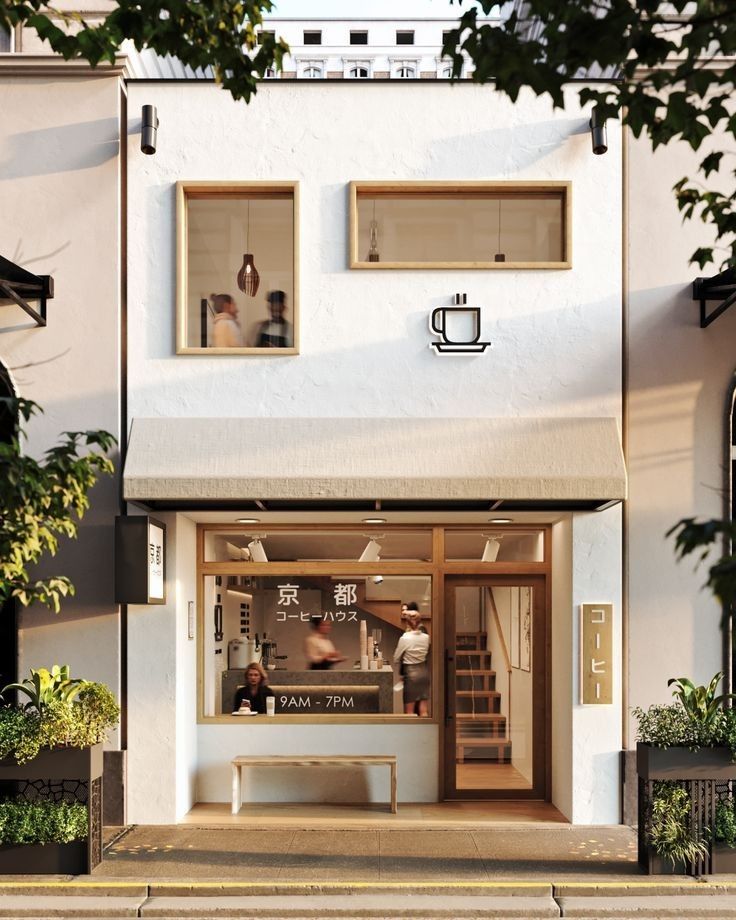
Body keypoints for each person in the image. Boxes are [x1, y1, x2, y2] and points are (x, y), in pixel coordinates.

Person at [393, 609, 430, 716]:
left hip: (411, 673)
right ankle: (425, 732)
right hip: (424, 672)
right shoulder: (426, 637)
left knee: (410, 712)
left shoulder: (405, 638)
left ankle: (410, 733)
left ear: (407, 622)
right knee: (424, 710)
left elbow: (396, 657)